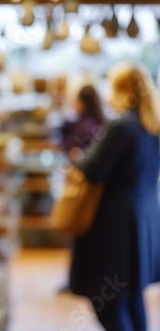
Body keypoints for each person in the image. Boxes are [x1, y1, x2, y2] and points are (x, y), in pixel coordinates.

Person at [69, 62, 160, 331]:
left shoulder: (121, 125)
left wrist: (79, 159)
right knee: (131, 295)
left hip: (115, 225)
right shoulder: (151, 125)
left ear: (123, 89)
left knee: (106, 301)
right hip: (143, 218)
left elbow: (94, 169)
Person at [60, 84, 106, 161]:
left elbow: (68, 147)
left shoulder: (85, 126)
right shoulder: (99, 121)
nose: (75, 105)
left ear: (82, 103)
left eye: (77, 101)